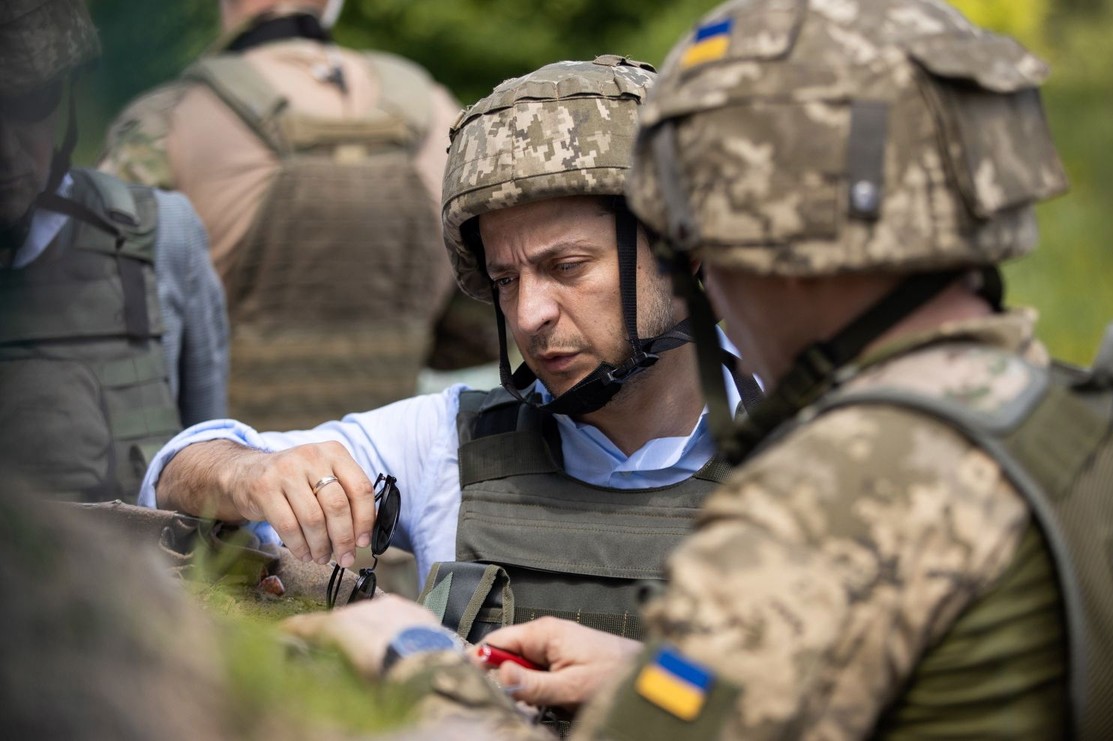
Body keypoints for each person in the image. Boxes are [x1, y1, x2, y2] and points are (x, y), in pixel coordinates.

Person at [284, 1, 1113, 739]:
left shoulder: (835, 495)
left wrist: (412, 657)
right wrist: (660, 679)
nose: (705, 271)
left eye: (706, 233)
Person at [144, 57, 757, 645]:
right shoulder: (446, 442)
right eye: (506, 280)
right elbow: (171, 475)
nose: (528, 314)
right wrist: (246, 472)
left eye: (566, 267)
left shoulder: (815, 444)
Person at [99, 0, 497, 431]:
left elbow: (95, 312)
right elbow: (487, 317)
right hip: (384, 478)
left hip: (212, 477)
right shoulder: (440, 113)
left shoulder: (170, 119)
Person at [0, 0, 228, 503]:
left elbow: (212, 463)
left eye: (29, 104)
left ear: (64, 101)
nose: (7, 149)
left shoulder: (163, 233)